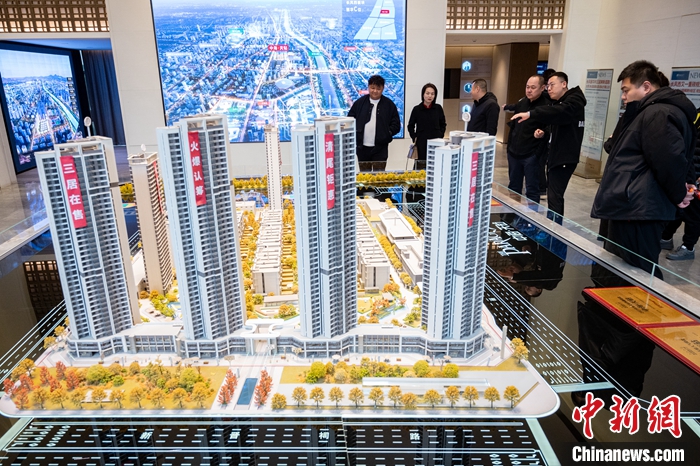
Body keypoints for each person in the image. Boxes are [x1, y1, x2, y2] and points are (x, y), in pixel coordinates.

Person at [591, 60, 697, 276]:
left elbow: (669, 160)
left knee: (638, 271)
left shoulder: (658, 113)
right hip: (635, 205)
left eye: (626, 90)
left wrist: (679, 193)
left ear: (646, 86)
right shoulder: (650, 111)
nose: (623, 96)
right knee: (624, 267)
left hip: (639, 208)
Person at [511, 71, 586, 222]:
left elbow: (560, 112)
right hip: (554, 156)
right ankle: (550, 227)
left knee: (554, 197)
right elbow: (557, 123)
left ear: (564, 84)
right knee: (553, 196)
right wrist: (544, 132)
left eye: (552, 85)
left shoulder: (573, 102)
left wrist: (531, 114)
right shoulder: (560, 102)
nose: (549, 89)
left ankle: (553, 230)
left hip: (564, 157)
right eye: (548, 86)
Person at [660, 108, 700, 260]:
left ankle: (688, 247)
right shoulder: (696, 114)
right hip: (689, 170)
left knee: (694, 214)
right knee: (680, 206)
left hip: (697, 175)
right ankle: (666, 237)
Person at [502, 75, 549, 204]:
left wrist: (542, 134)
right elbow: (514, 126)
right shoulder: (522, 102)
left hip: (532, 155)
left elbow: (548, 129)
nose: (529, 90)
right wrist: (509, 148)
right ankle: (512, 213)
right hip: (514, 153)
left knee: (532, 189)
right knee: (513, 187)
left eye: (533, 87)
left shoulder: (546, 107)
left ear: (542, 88)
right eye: (527, 87)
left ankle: (532, 215)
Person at [347, 74, 401, 172]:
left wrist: (387, 133)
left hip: (380, 149)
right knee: (364, 176)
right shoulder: (359, 103)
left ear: (383, 89)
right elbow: (350, 120)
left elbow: (396, 125)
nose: (375, 91)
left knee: (379, 176)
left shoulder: (389, 105)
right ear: (368, 87)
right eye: (372, 88)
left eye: (378, 89)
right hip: (362, 148)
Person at [407, 83, 446, 171]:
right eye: (427, 93)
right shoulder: (417, 109)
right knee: (419, 168)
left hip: (436, 143)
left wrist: (440, 135)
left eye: (432, 94)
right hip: (421, 143)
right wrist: (414, 138)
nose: (430, 96)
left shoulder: (438, 108)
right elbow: (410, 126)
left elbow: (443, 124)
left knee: (435, 167)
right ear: (423, 94)